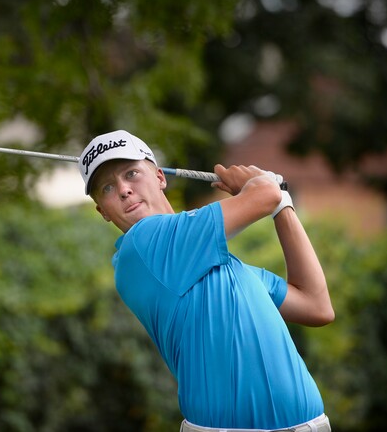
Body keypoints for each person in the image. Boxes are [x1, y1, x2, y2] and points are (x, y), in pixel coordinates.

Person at [78, 130, 335, 432]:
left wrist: (283, 207)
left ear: (160, 177)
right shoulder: (141, 246)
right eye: (107, 187)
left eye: (131, 173)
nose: (123, 190)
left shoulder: (231, 269)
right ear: (102, 212)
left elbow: (316, 306)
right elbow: (263, 196)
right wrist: (263, 185)